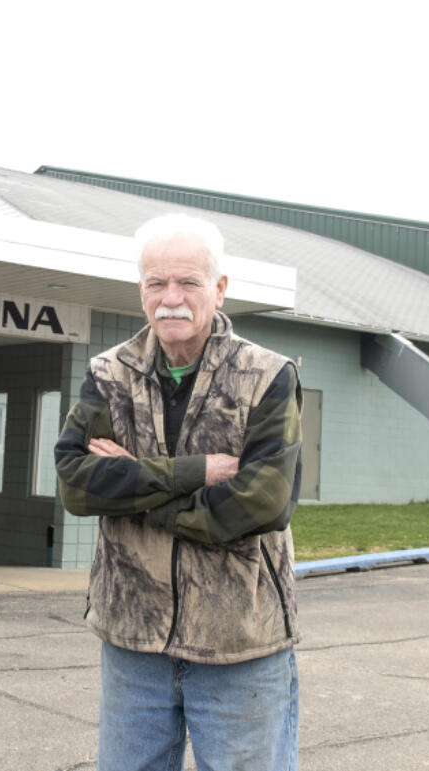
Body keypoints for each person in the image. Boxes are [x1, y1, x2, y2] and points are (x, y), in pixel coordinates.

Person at [55, 212, 304, 771]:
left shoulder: (267, 376)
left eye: (188, 282)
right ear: (140, 289)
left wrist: (134, 489)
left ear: (219, 289)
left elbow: (262, 502)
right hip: (131, 636)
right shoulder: (107, 374)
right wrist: (191, 474)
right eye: (156, 283)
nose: (171, 298)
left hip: (237, 640)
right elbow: (75, 484)